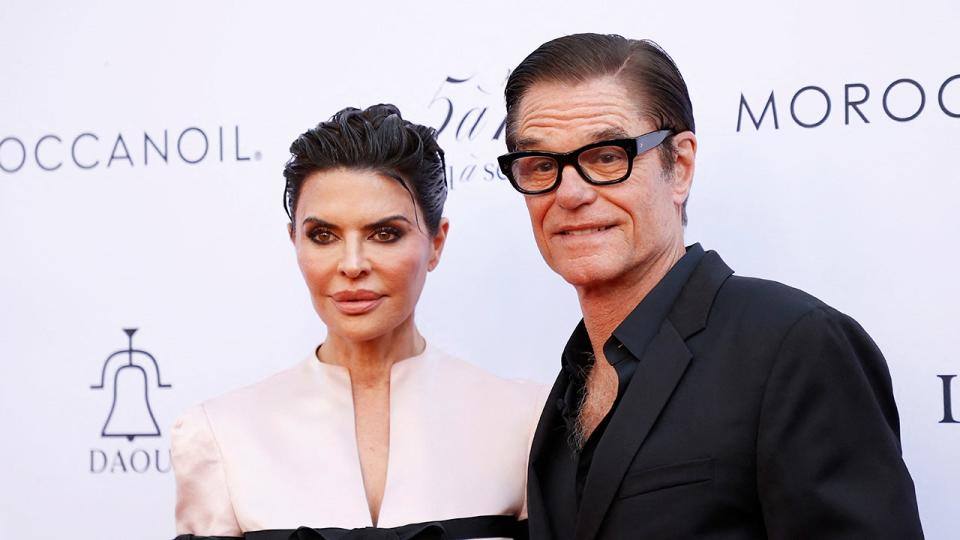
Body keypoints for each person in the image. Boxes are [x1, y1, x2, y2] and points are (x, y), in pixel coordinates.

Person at [497, 33, 924, 539]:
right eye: (543, 165)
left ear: (679, 166)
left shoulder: (794, 346)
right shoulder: (570, 384)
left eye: (607, 157)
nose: (570, 193)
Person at [171, 104, 545, 539]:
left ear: (436, 243)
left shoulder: (525, 423)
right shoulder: (220, 434)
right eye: (323, 236)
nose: (352, 265)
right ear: (294, 242)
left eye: (385, 234)